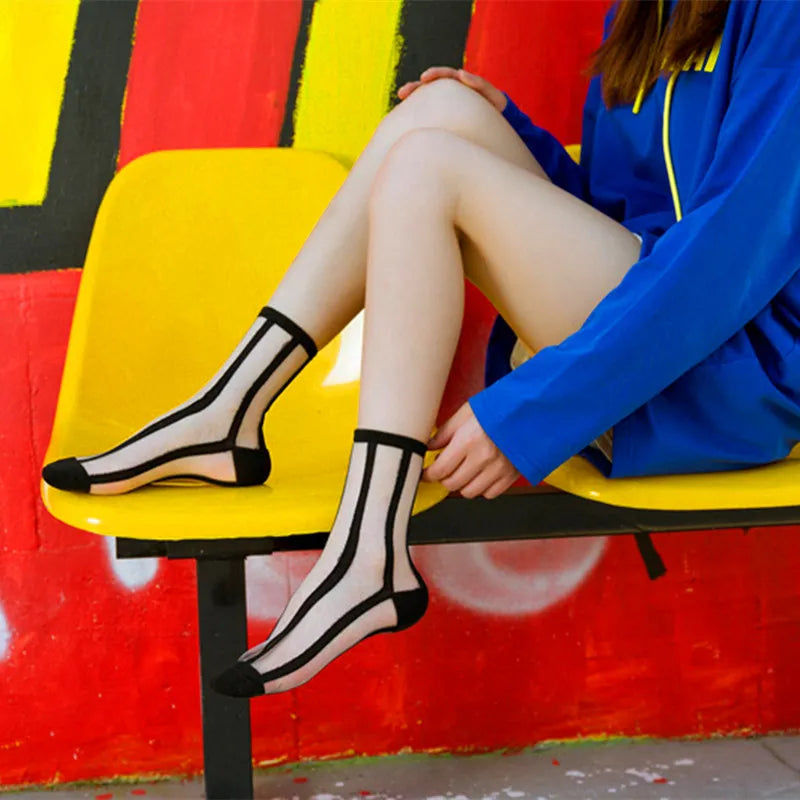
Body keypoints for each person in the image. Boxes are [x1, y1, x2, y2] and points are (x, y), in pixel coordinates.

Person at [42, 0, 800, 697]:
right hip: (655, 329)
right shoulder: (642, 12)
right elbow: (622, 219)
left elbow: (724, 259)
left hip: (734, 371)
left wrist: (535, 411)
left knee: (427, 169)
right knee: (440, 112)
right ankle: (231, 409)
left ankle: (367, 549)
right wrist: (517, 137)